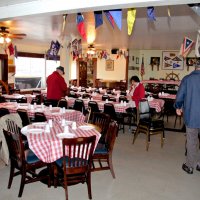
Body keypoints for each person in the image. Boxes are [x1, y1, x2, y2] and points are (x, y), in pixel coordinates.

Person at [175, 59, 200, 174]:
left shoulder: (187, 79)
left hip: (192, 115)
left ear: (195, 66)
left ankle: (189, 166)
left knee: (191, 140)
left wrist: (178, 107)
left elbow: (180, 95)